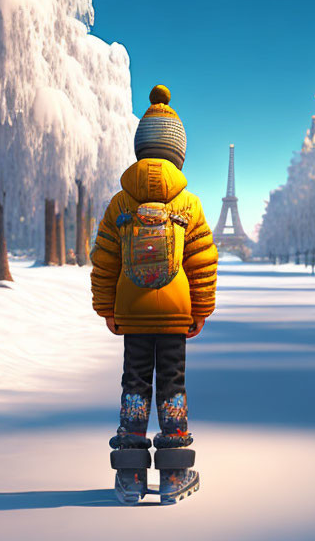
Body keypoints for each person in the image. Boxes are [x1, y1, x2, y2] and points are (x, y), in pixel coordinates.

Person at [90, 84, 218, 505]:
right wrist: (201, 308)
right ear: (179, 155)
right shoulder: (190, 205)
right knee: (172, 384)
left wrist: (106, 307)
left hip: (132, 312)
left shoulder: (119, 203)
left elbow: (104, 260)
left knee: (135, 382)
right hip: (176, 315)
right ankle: (174, 472)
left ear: (140, 149)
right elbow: (202, 261)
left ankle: (128, 474)